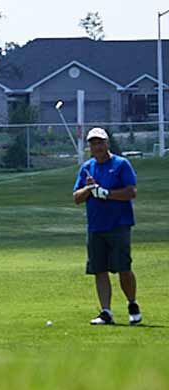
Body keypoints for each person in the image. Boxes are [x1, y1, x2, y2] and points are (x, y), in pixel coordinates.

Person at [73, 127, 140, 325]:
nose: (97, 146)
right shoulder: (87, 168)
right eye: (93, 143)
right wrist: (89, 188)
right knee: (99, 270)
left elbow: (131, 192)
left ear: (107, 143)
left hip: (119, 225)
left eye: (100, 142)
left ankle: (132, 303)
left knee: (123, 268)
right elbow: (77, 198)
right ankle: (106, 312)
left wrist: (106, 193)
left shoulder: (121, 164)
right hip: (95, 227)